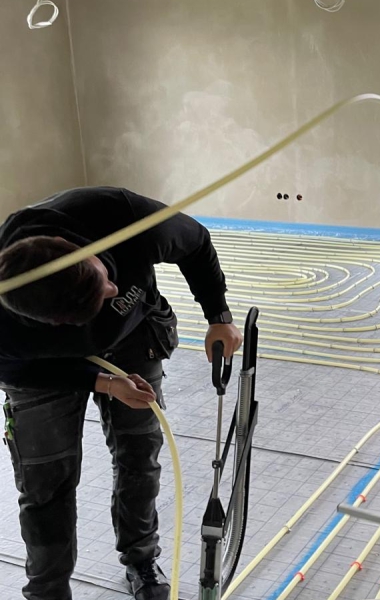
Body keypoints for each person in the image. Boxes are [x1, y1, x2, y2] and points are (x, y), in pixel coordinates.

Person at [0, 186, 244, 600]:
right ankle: (47, 591)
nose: (113, 290)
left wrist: (218, 315)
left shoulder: (119, 216)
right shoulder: (5, 330)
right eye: (99, 297)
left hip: (133, 337)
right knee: (45, 482)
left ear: (73, 247)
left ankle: (141, 560)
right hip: (39, 370)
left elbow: (195, 242)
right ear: (51, 323)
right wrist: (103, 382)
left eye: (104, 278)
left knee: (139, 454)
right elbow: (17, 369)